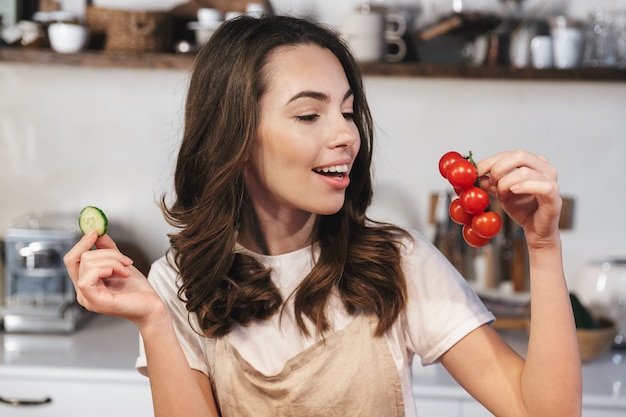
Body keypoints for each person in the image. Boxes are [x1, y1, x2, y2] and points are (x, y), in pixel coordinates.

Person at [64, 15, 581, 417]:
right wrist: (154, 320)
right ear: (236, 137)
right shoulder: (178, 283)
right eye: (310, 114)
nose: (346, 134)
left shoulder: (397, 263)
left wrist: (543, 246)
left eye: (348, 110)